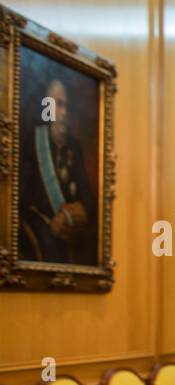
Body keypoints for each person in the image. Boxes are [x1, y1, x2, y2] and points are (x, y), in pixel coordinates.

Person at [19, 78, 96, 266]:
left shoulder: (74, 147)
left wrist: (69, 215)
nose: (65, 112)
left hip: (69, 231)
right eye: (59, 105)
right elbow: (20, 200)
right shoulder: (32, 142)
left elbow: (88, 198)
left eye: (67, 106)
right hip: (37, 227)